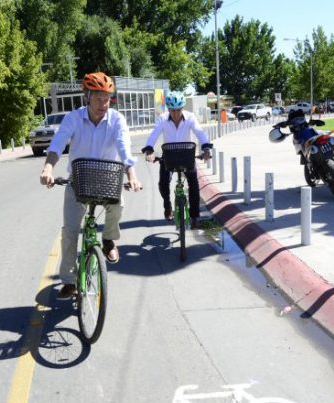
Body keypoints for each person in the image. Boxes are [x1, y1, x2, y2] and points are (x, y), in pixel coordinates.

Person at [40, 72, 142, 299]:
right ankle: (68, 281)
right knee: (70, 232)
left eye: (107, 99)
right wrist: (48, 168)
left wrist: (132, 175)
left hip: (107, 179)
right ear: (87, 96)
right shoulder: (73, 118)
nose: (103, 104)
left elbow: (124, 149)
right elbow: (58, 143)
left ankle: (108, 239)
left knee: (118, 206)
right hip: (78, 180)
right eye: (98, 99)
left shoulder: (117, 119)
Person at [141, 91, 212, 229]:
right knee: (163, 183)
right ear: (168, 109)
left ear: (183, 108)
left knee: (194, 184)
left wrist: (206, 149)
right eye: (172, 110)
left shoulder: (190, 117)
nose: (175, 113)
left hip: (187, 155)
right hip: (169, 157)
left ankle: (195, 216)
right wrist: (149, 149)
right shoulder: (162, 118)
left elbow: (200, 132)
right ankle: (167, 205)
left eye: (178, 110)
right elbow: (154, 134)